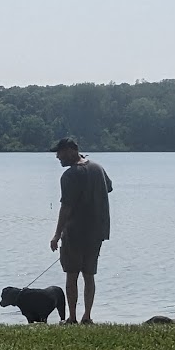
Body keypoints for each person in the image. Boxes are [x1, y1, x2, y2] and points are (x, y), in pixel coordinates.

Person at [49, 136, 112, 324]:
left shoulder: (69, 175)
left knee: (72, 275)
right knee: (89, 275)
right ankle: (87, 316)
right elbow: (108, 188)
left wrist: (56, 234)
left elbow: (66, 207)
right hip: (97, 232)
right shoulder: (98, 168)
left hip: (75, 232)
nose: (58, 157)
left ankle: (73, 318)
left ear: (70, 150)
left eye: (59, 153)